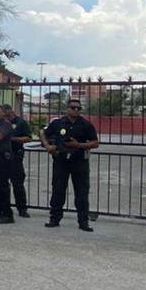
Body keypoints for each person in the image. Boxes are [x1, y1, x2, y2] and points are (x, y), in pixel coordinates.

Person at [43, 98, 99, 232]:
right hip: (61, 161)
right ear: (67, 109)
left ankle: (83, 222)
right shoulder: (57, 123)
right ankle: (54, 219)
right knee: (58, 191)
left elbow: (95, 143)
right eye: (73, 107)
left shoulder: (86, 125)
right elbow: (43, 133)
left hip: (79, 162)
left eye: (78, 108)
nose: (75, 110)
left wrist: (78, 145)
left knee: (81, 193)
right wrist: (47, 146)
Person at [6, 99, 33, 218]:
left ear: (12, 112)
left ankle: (22, 208)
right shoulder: (1, 123)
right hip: (1, 156)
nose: (7, 117)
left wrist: (13, 139)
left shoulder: (21, 123)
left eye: (8, 115)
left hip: (15, 155)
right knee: (1, 184)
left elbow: (28, 138)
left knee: (17, 183)